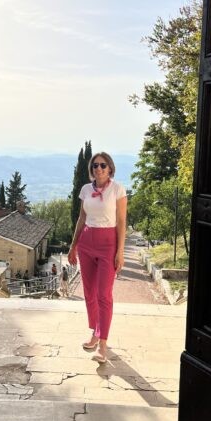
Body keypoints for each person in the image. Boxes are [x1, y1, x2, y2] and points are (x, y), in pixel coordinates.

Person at [68, 152, 127, 363]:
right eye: (95, 165)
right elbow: (81, 218)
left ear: (110, 168)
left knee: (104, 295)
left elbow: (122, 222)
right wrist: (73, 246)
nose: (98, 168)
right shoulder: (85, 189)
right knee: (89, 293)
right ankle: (95, 332)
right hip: (86, 243)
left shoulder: (118, 189)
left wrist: (120, 251)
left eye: (103, 165)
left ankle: (103, 345)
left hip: (108, 244)